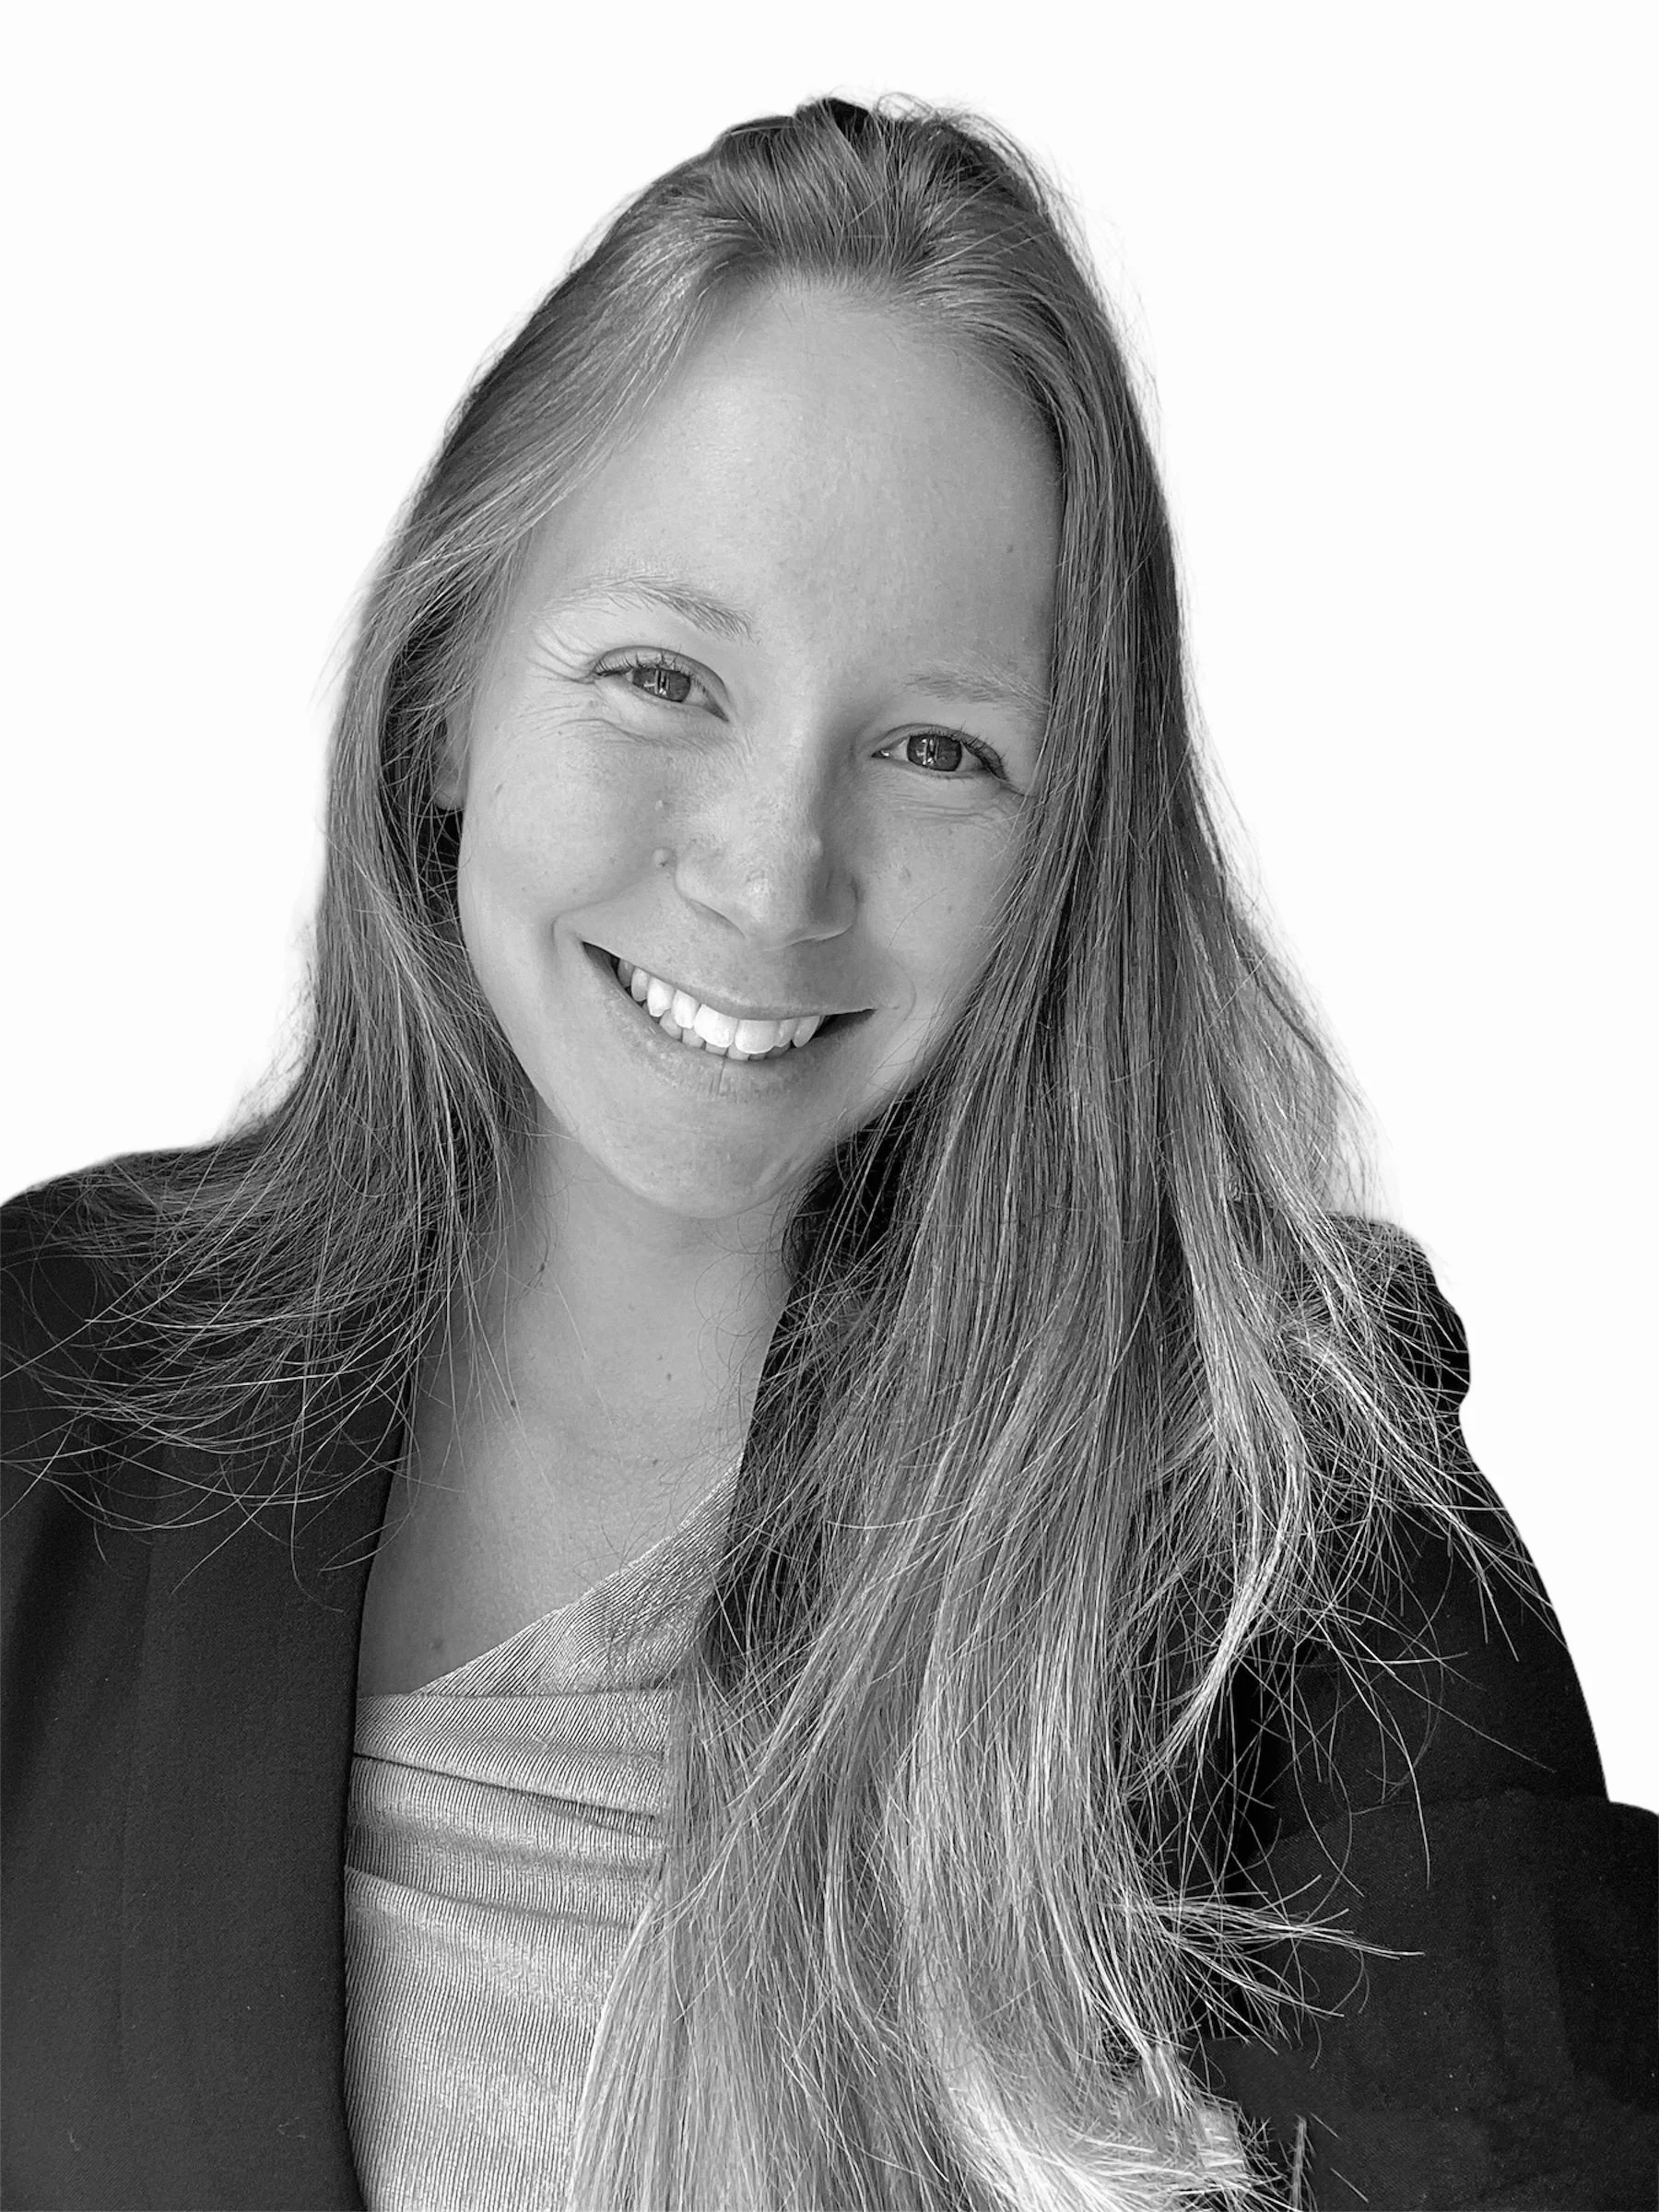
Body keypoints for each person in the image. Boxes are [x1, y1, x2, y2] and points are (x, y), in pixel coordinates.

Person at [3, 91, 1653, 2212]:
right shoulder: (48, 1383)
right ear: (446, 698)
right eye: (664, 676)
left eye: (939, 747)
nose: (775, 869)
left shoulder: (1287, 1529)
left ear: (1063, 850)